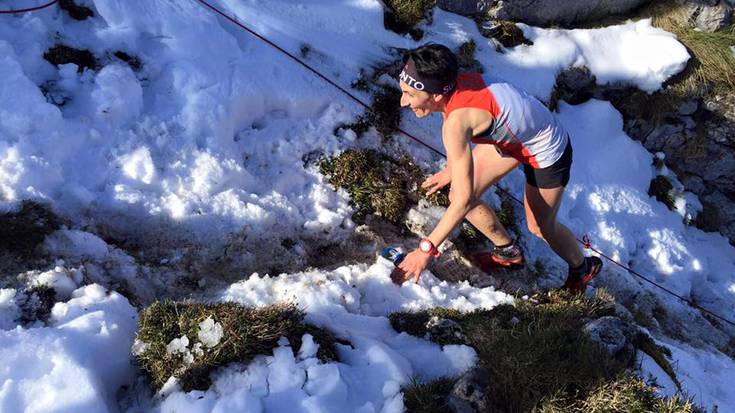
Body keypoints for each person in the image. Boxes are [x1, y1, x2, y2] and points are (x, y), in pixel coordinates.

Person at [390, 43, 602, 294]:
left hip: (546, 149)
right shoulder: (455, 88)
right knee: (458, 192)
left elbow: (465, 199)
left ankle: (582, 267)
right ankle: (508, 253)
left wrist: (425, 249)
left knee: (540, 227)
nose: (403, 102)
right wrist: (455, 169)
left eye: (410, 95)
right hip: (512, 138)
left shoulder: (456, 123)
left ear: (436, 96)